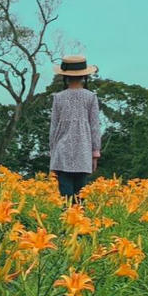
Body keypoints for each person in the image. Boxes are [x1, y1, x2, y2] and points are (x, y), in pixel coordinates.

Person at [48, 54, 102, 201]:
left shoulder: (58, 97)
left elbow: (53, 128)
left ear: (65, 76)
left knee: (66, 199)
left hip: (62, 152)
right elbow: (95, 126)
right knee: (80, 198)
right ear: (84, 76)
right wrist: (95, 153)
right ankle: (80, 223)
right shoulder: (91, 97)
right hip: (83, 152)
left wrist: (52, 154)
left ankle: (67, 222)